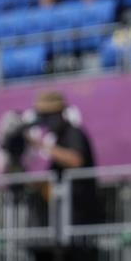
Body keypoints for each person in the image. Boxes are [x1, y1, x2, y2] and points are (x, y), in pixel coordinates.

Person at [28, 91, 102, 226]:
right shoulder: (59, 138)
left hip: (80, 214)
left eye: (47, 117)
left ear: (58, 114)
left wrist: (41, 146)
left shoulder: (74, 133)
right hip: (66, 216)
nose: (45, 122)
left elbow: (76, 160)